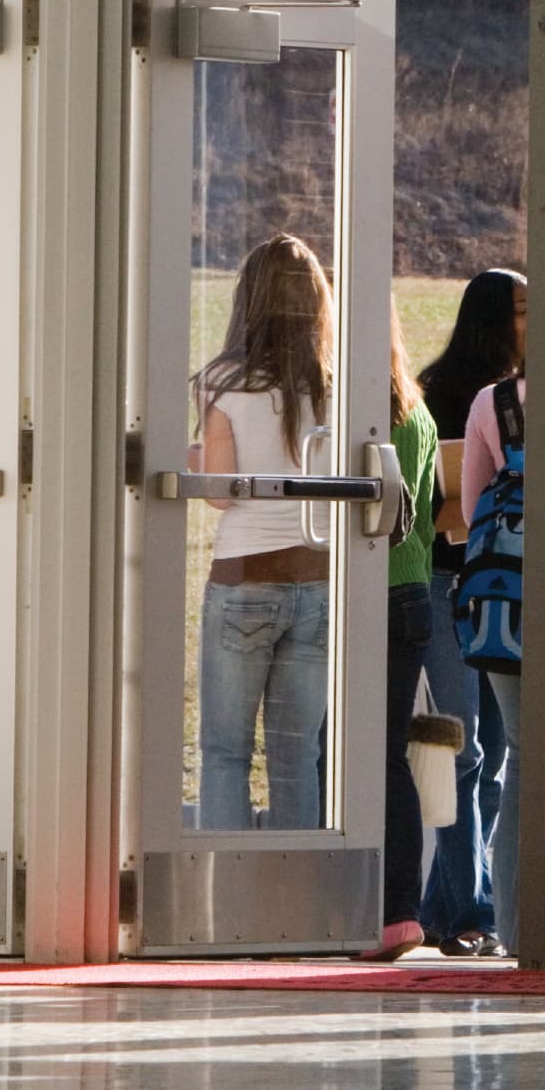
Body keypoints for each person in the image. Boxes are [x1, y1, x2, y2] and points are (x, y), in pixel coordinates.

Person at [460, 279, 545, 960]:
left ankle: (515, 926)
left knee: (520, 757)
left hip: (500, 603)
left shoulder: (492, 403)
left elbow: (471, 503)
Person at [194, 234, 337, 830]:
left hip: (245, 577)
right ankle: (297, 896)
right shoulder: (332, 380)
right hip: (319, 578)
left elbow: (222, 492)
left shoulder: (224, 381)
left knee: (226, 752)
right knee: (295, 756)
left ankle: (223, 893)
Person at [415, 268, 526, 955]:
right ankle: (474, 912)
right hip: (443, 582)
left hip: (496, 589)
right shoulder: (439, 392)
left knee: (495, 754)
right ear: (491, 317)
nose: (530, 322)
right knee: (462, 751)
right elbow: (424, 501)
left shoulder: (518, 397)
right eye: (519, 310)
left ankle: (442, 907)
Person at [366, 300, 443, 960]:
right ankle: (401, 914)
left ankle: (346, 902)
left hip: (364, 594)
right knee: (391, 756)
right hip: (413, 592)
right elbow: (428, 511)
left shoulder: (349, 415)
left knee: (336, 755)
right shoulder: (416, 412)